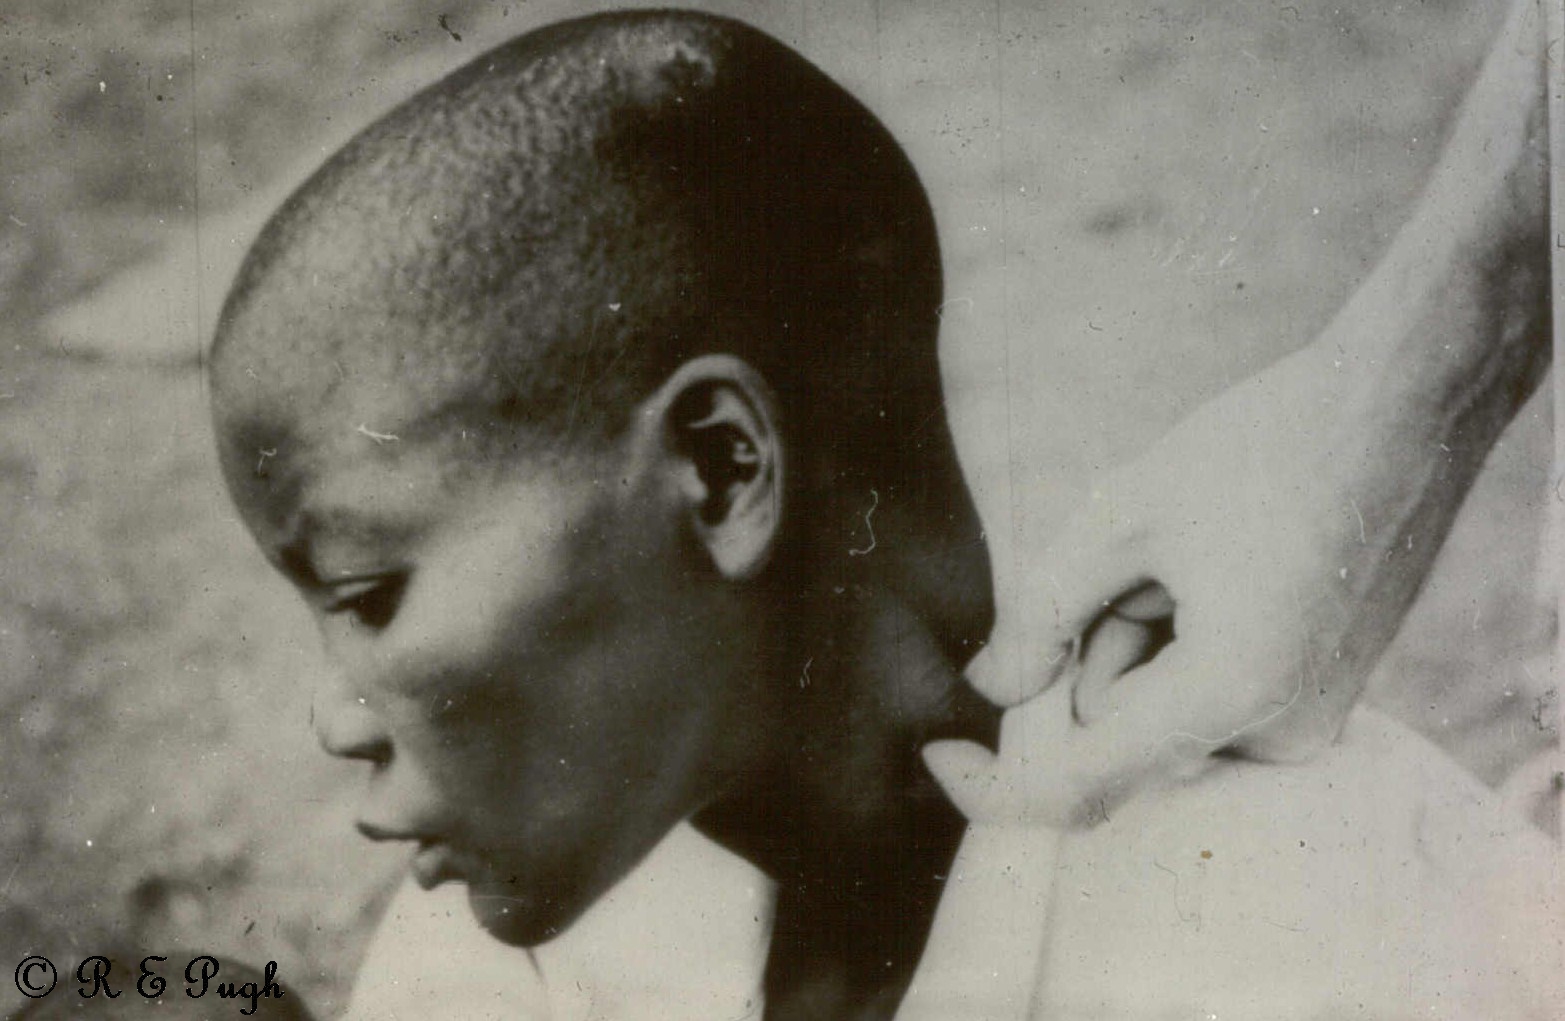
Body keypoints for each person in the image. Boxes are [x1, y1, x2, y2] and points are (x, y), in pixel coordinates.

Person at [207, 4, 1554, 1019]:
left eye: (370, 596)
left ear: (719, 468)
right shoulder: (517, 956)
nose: (336, 717)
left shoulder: (1323, 920)